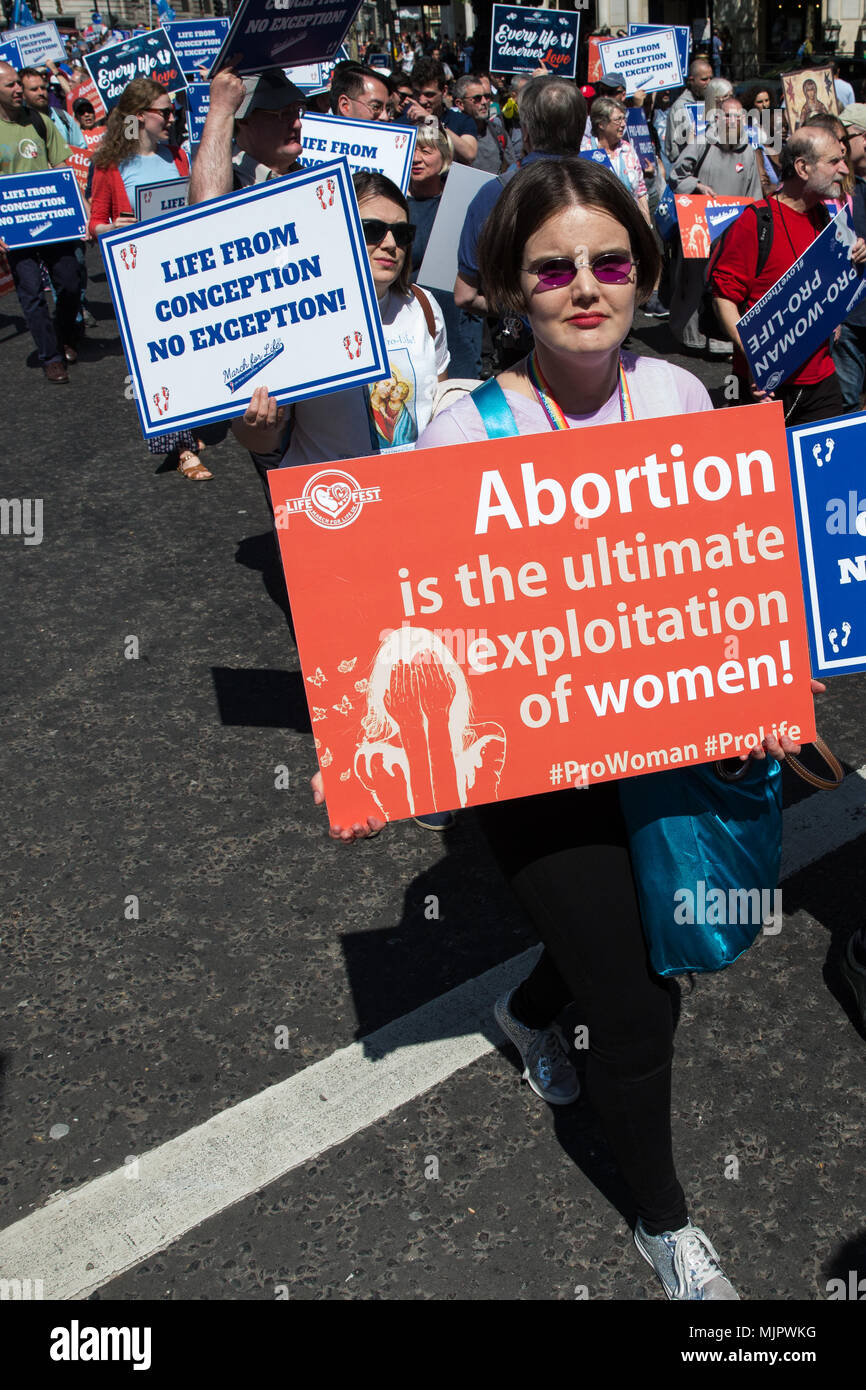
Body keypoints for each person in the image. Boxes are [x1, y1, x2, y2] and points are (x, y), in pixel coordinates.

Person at [315, 155, 821, 1298]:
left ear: (644, 273)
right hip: (534, 768)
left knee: (635, 928)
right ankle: (663, 1224)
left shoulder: (683, 397)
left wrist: (768, 670)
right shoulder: (459, 431)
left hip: (663, 740)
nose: (583, 286)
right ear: (503, 286)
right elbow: (399, 616)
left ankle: (522, 1008)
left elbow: (717, 577)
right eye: (552, 267)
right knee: (638, 1002)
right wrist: (361, 753)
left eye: (608, 261)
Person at [89, 79, 209, 480]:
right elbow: (94, 223)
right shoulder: (109, 166)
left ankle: (187, 426)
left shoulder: (177, 156)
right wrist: (112, 228)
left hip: (178, 270)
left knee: (187, 353)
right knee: (157, 360)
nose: (174, 118)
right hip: (137, 277)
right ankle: (181, 447)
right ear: (141, 116)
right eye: (166, 111)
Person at [709, 125, 866, 424]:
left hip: (822, 380)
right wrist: (756, 357)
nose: (844, 169)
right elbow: (724, 297)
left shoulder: (826, 218)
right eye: (834, 162)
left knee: (827, 467)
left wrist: (858, 256)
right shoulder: (755, 223)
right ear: (803, 168)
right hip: (764, 386)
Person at [453, 76, 587, 318]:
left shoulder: (493, 193)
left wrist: (521, 313)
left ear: (526, 133)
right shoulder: (606, 188)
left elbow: (465, 295)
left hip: (525, 341)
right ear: (581, 130)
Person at [0, 59, 78, 382]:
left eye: (19, 83)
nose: (18, 89)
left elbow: (64, 169)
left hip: (52, 220)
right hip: (14, 229)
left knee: (70, 282)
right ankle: (51, 357)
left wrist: (80, 211)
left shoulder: (41, 121)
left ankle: (61, 336)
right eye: (11, 85)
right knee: (31, 294)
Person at [668, 97, 763, 356]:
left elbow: (754, 193)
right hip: (698, 220)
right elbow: (677, 173)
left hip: (732, 226)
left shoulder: (747, 151)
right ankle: (688, 334)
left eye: (738, 117)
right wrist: (697, 185)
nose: (733, 121)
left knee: (723, 282)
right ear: (718, 119)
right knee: (693, 279)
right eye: (728, 116)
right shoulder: (702, 142)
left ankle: (722, 336)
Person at [408, 122, 479, 377]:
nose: (417, 158)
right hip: (408, 328)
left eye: (427, 151)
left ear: (445, 156)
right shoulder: (395, 206)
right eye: (412, 150)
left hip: (455, 329)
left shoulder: (462, 202)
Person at [188, 66, 306, 203]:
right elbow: (206, 214)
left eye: (297, 111)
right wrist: (220, 109)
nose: (298, 124)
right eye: (283, 114)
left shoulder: (314, 178)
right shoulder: (232, 185)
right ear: (244, 120)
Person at [831, 104, 866, 411]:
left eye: (846, 138)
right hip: (850, 312)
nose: (840, 146)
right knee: (846, 402)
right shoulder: (838, 187)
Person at [581, 97, 649, 222]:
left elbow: (641, 191)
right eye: (618, 120)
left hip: (631, 222)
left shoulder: (627, 149)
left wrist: (648, 225)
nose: (623, 124)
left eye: (624, 119)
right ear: (601, 124)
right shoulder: (586, 153)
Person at [404, 58, 477, 165]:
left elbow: (469, 155)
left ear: (444, 91)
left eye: (429, 95)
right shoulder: (403, 122)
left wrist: (431, 121)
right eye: (417, 93)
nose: (422, 100)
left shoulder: (462, 122)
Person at [452, 72, 515, 175]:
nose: (484, 102)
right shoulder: (450, 135)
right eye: (477, 98)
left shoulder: (498, 132)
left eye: (487, 96)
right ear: (460, 104)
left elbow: (512, 169)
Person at [664, 58, 713, 166]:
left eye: (711, 78)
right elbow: (673, 149)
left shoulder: (711, 102)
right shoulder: (680, 106)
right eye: (704, 79)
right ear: (691, 80)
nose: (709, 83)